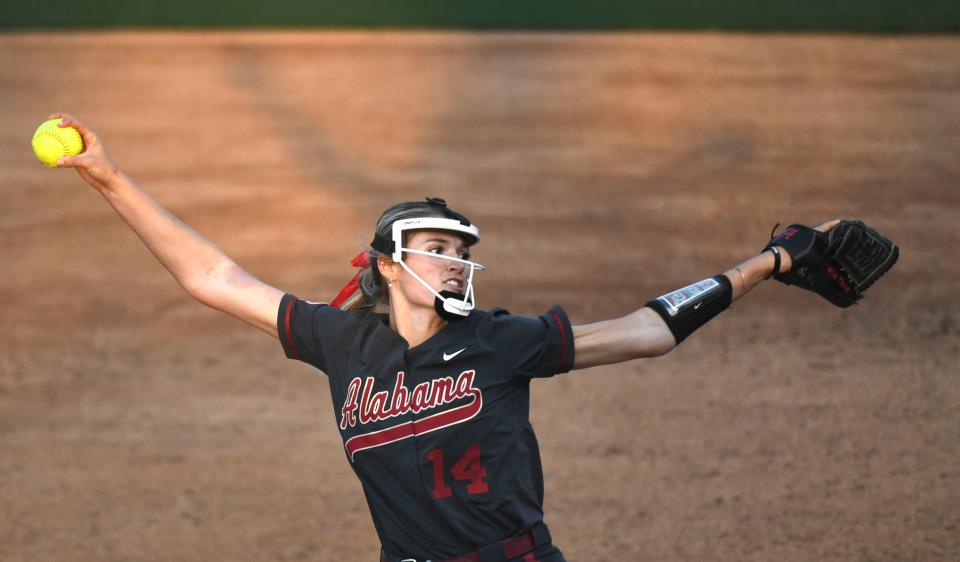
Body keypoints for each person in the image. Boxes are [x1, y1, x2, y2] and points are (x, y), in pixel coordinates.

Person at [51, 112, 840, 562]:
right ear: (390, 267)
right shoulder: (341, 343)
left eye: (462, 253)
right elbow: (214, 279)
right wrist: (111, 178)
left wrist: (767, 263)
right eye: (439, 250)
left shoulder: (503, 341)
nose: (457, 264)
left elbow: (645, 332)